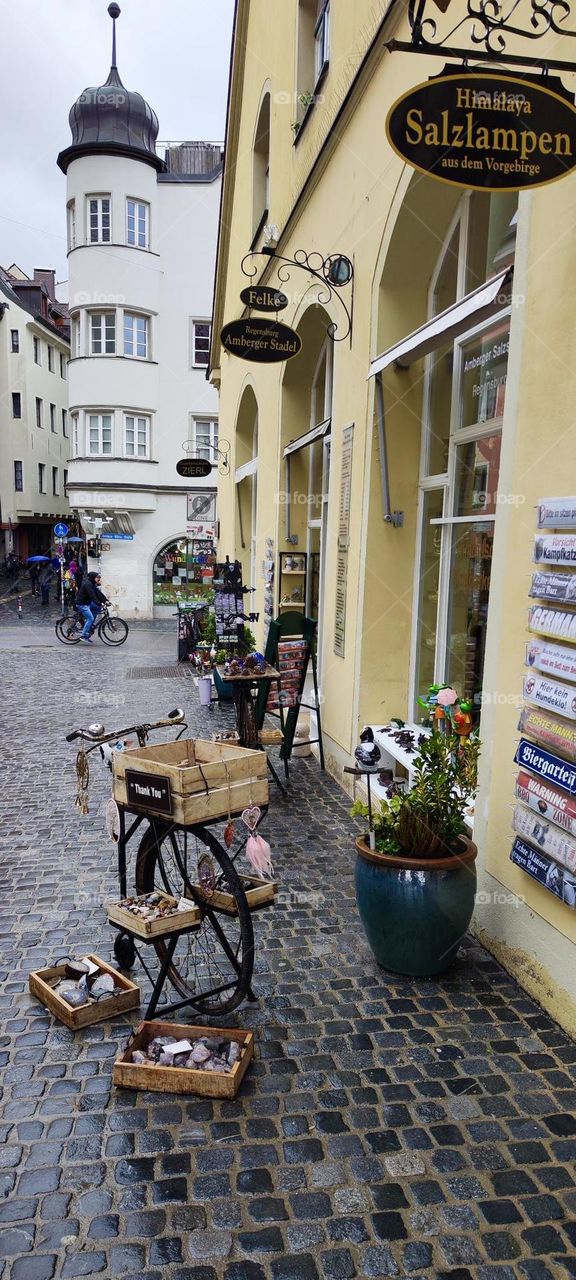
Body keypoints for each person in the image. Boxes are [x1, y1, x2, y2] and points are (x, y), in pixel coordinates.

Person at [75, 571, 110, 643]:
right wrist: (99, 603)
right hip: (82, 604)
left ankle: (89, 625)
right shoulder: (87, 584)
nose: (99, 579)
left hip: (87, 603)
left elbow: (98, 593)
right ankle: (83, 636)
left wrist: (105, 601)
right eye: (97, 578)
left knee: (97, 608)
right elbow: (92, 595)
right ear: (93, 577)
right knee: (90, 618)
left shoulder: (92, 584)